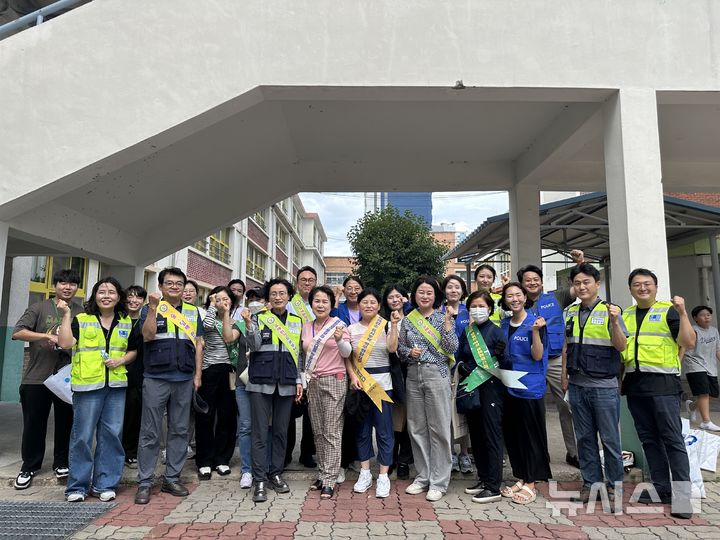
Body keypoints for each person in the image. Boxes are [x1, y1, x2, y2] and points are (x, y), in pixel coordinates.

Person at [622, 268, 695, 518]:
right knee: (649, 440)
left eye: (647, 284)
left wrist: (684, 312)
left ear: (655, 286)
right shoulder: (627, 314)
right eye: (637, 284)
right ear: (630, 288)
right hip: (635, 386)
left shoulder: (669, 310)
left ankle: (683, 498)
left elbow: (689, 341)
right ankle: (661, 488)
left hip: (663, 386)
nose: (642, 288)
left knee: (672, 440)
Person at [58, 277, 139, 502]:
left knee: (112, 436)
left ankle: (105, 483)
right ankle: (77, 486)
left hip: (115, 386)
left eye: (111, 292)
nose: (106, 295)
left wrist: (121, 360)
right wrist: (66, 316)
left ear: (118, 297)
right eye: (101, 291)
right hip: (87, 386)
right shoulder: (81, 319)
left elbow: (133, 351)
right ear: (94, 296)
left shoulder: (125, 321)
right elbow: (65, 344)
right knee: (82, 436)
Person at [134, 267, 204, 505]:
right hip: (156, 377)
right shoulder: (149, 309)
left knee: (180, 430)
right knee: (150, 431)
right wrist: (153, 308)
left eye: (179, 283)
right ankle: (144, 482)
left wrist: (197, 376)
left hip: (184, 378)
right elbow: (147, 336)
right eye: (169, 283)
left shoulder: (193, 312)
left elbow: (198, 344)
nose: (175, 287)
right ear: (161, 287)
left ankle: (172, 478)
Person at [561, 263, 627, 506]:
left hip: (604, 387)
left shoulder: (611, 311)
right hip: (577, 386)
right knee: (585, 438)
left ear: (597, 284)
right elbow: (567, 346)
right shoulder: (569, 311)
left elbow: (621, 346)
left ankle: (614, 487)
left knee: (610, 440)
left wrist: (615, 322)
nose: (581, 287)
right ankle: (591, 484)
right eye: (577, 283)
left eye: (586, 282)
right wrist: (563, 377)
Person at [12, 268, 81, 490]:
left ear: (77, 287)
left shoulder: (82, 311)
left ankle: (62, 463)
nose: (67, 287)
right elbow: (18, 332)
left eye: (72, 283)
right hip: (36, 378)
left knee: (66, 423)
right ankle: (29, 466)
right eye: (62, 282)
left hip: (68, 379)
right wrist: (47, 335)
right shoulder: (39, 308)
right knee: (34, 424)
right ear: (54, 286)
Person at [517, 252, 583, 468]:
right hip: (530, 363)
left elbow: (580, 286)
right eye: (528, 280)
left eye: (536, 279)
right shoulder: (516, 303)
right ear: (522, 284)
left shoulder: (557, 297)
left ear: (542, 282)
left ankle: (574, 453)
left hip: (555, 361)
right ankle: (535, 454)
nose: (532, 283)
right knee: (530, 409)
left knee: (567, 406)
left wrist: (580, 263)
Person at [398, 276, 459, 502]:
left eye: (429, 293)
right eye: (421, 292)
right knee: (416, 428)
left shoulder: (443, 317)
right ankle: (423, 476)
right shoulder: (407, 320)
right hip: (414, 375)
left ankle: (439, 481)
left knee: (440, 428)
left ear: (436, 296)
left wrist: (447, 325)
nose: (425, 296)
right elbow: (400, 349)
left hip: (438, 373)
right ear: (414, 295)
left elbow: (452, 347)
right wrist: (407, 353)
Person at [245, 278, 303, 503]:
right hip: (261, 381)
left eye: (282, 293)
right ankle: (259, 479)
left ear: (289, 296)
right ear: (268, 297)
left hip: (287, 382)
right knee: (260, 432)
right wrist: (249, 326)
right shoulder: (258, 318)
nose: (278, 297)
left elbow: (298, 354)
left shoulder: (297, 321)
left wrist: (299, 380)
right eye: (274, 294)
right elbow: (255, 346)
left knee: (281, 432)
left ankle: (275, 473)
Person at [500, 281, 551, 505]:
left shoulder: (536, 323)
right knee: (514, 436)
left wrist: (536, 333)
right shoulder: (503, 324)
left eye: (518, 295)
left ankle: (532, 482)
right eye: (509, 296)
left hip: (530, 388)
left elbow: (538, 355)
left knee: (531, 436)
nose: (514, 299)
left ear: (525, 297)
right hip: (508, 387)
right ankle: (521, 476)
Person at [301, 285, 352, 499]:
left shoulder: (339, 325)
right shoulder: (306, 326)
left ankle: (330, 478)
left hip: (335, 380)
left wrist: (340, 339)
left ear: (332, 304)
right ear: (311, 303)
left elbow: (348, 353)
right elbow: (303, 355)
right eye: (316, 301)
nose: (320, 305)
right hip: (313, 381)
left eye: (324, 301)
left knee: (331, 430)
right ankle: (322, 473)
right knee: (318, 430)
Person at [457, 291, 508, 504]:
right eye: (473, 306)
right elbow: (460, 356)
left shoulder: (496, 332)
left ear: (490, 308)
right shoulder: (468, 331)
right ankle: (484, 478)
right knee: (476, 436)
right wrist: (463, 367)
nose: (477, 309)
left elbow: (507, 362)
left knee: (491, 436)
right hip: (472, 388)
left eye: (482, 306)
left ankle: (494, 486)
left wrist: (501, 355)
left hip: (491, 389)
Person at [348, 289, 400, 498]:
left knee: (384, 431)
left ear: (379, 306)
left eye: (373, 302)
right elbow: (347, 357)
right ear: (359, 305)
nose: (368, 305)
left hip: (382, 386)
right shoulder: (350, 329)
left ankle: (384, 476)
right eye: (364, 302)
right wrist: (352, 376)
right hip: (360, 386)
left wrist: (394, 325)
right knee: (362, 431)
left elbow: (392, 348)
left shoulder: (386, 325)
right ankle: (365, 472)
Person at [195, 286, 239, 480]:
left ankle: (222, 458)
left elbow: (230, 339)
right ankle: (204, 460)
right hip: (209, 370)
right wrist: (213, 306)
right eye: (218, 298)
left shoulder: (237, 322)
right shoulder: (207, 318)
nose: (223, 302)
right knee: (205, 416)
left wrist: (227, 313)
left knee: (226, 417)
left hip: (228, 372)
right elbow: (206, 329)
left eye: (226, 299)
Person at [332, 275, 364, 483]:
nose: (353, 291)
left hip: (365, 366)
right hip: (342, 364)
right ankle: (341, 461)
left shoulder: (368, 307)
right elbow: (331, 323)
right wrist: (335, 300)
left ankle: (354, 456)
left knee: (358, 415)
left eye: (357, 288)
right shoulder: (340, 310)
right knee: (343, 414)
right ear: (344, 290)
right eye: (349, 288)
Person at [286, 266, 318, 469]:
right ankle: (286, 452)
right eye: (303, 279)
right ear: (297, 283)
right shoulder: (289, 306)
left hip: (314, 365)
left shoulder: (320, 304)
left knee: (311, 413)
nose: (307, 283)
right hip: (292, 364)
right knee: (288, 411)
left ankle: (307, 453)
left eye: (311, 280)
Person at [441, 274, 473, 475]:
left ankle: (464, 453)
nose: (453, 290)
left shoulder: (468, 312)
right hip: (444, 368)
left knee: (463, 411)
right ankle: (450, 453)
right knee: (446, 412)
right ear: (444, 290)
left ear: (463, 291)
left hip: (464, 369)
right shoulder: (438, 312)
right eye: (450, 287)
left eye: (457, 287)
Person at [382, 284, 413, 480]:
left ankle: (405, 460)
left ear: (405, 299)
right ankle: (391, 457)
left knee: (410, 420)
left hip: (412, 372)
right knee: (394, 420)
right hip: (391, 374)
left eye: (398, 296)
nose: (395, 300)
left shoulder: (414, 320)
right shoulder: (382, 323)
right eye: (390, 297)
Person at [235, 287, 263, 489]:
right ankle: (246, 470)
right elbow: (228, 337)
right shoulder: (240, 320)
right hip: (243, 380)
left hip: (264, 381)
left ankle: (263, 466)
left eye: (258, 299)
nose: (254, 302)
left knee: (264, 427)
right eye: (250, 298)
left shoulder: (273, 322)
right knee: (245, 426)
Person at [122, 285, 147, 468]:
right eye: (130, 296)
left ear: (143, 301)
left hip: (137, 375)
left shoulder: (145, 322)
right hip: (114, 373)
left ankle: (130, 452)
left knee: (133, 415)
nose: (133, 300)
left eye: (138, 297)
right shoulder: (117, 319)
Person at [684, 305, 720, 431]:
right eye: (703, 315)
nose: (707, 317)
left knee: (714, 393)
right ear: (695, 318)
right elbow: (684, 346)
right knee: (703, 392)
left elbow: (717, 350)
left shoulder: (714, 331)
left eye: (708, 315)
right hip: (694, 364)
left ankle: (692, 406)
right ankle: (706, 421)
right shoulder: (693, 330)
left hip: (710, 366)